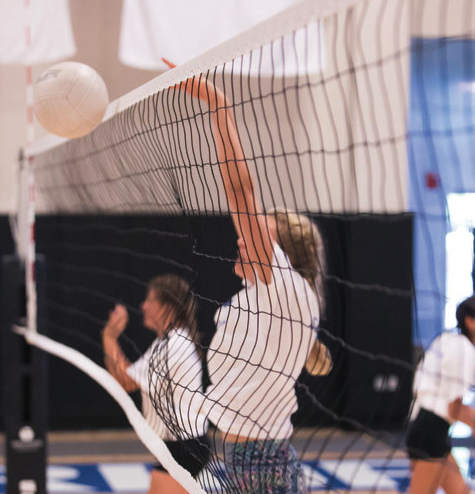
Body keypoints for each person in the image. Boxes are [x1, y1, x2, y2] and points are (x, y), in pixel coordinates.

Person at [163, 61, 331, 493]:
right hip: (240, 457)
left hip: (263, 462)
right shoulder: (256, 297)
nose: (242, 241)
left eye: (259, 239)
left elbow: (241, 193)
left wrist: (219, 107)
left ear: (283, 258)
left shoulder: (287, 291)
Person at [102, 274, 210, 494]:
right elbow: (124, 378)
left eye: (150, 300)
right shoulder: (166, 341)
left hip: (185, 447)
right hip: (179, 445)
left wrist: (109, 337)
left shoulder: (174, 344)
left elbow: (126, 381)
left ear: (167, 306)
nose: (143, 305)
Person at [405, 295, 475, 494]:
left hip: (421, 426)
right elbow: (453, 408)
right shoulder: (467, 351)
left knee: (461, 491)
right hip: (431, 431)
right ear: (470, 321)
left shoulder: (445, 339)